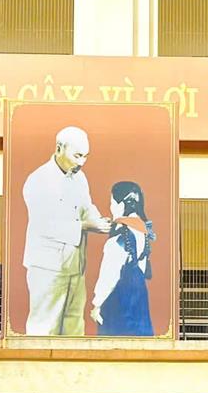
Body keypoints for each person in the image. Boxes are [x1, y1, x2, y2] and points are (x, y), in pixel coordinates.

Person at [23, 125, 113, 336]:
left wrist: (99, 221)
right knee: (44, 327)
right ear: (59, 148)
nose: (81, 162)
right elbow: (45, 224)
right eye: (77, 156)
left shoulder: (79, 178)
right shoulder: (38, 180)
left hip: (75, 265)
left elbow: (86, 207)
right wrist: (85, 226)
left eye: (85, 156)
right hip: (47, 268)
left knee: (74, 326)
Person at [92, 180, 155, 337]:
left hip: (118, 303)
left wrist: (97, 304)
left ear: (121, 204)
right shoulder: (142, 231)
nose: (111, 207)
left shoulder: (118, 239)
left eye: (112, 202)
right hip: (139, 299)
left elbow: (109, 276)